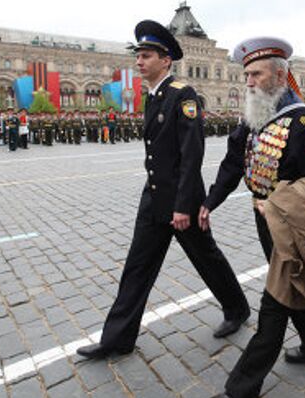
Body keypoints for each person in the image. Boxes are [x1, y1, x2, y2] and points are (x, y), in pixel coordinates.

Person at [76, 20, 250, 360]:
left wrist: (183, 205)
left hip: (181, 201)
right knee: (136, 267)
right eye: (138, 55)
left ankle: (237, 308)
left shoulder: (181, 95)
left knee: (207, 258)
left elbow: (191, 154)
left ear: (165, 60)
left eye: (146, 55)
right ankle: (118, 338)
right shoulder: (154, 97)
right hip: (154, 197)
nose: (139, 61)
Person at [202, 37, 305, 398]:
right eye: (246, 74)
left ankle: (240, 391)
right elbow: (234, 163)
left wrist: (281, 203)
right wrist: (209, 203)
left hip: (291, 224)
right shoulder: (255, 116)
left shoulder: (302, 121)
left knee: (275, 300)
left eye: (256, 74)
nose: (247, 81)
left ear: (280, 75)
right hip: (262, 220)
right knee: (293, 286)